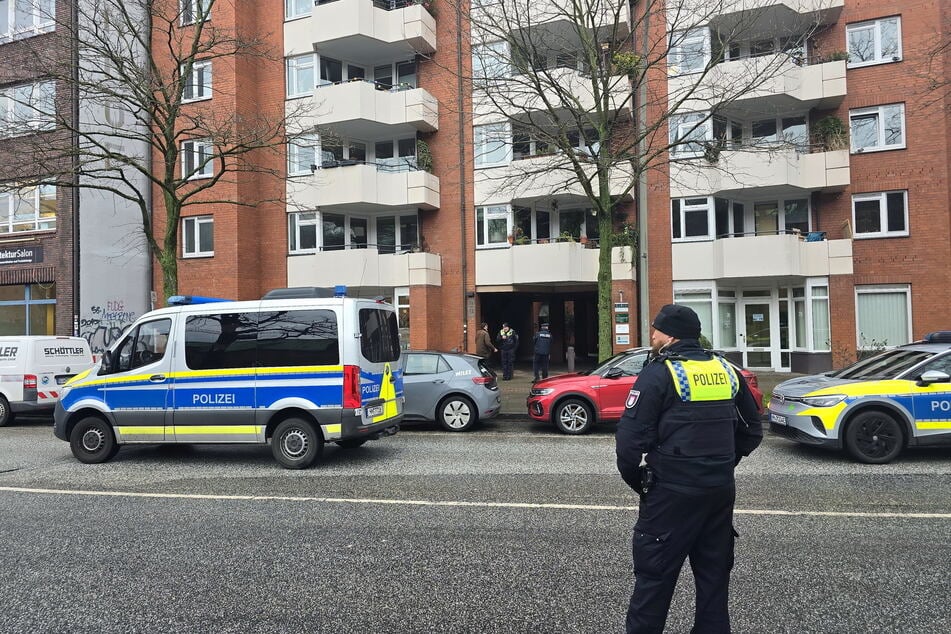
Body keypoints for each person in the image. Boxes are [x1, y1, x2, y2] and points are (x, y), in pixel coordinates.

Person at [616, 304, 762, 634]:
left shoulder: (659, 372)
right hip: (719, 492)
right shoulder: (726, 370)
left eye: (655, 329)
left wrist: (641, 481)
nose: (651, 334)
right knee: (713, 583)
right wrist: (722, 464)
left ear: (670, 335)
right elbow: (752, 431)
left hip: (671, 494)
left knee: (653, 582)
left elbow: (627, 444)